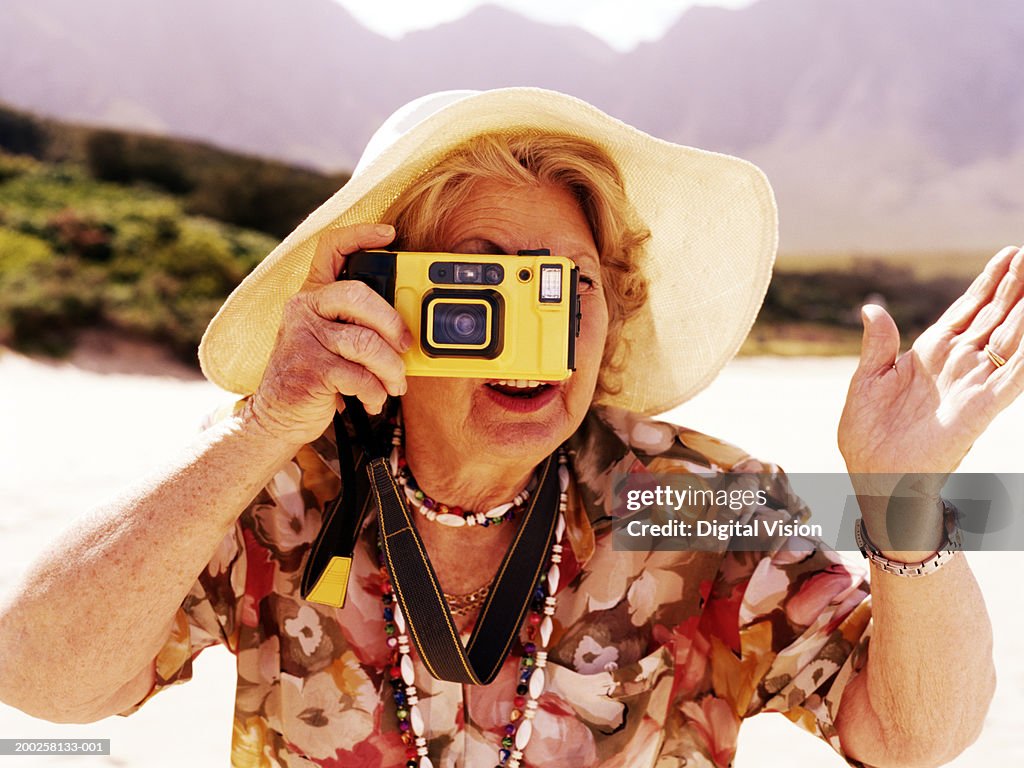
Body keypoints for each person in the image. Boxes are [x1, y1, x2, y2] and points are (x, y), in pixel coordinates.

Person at [0, 88, 1010, 767]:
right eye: (482, 280)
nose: (540, 334)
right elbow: (38, 677)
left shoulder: (699, 505)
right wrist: (264, 424)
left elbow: (909, 736)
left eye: (568, 287)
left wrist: (906, 499)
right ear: (384, 295)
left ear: (613, 309)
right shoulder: (279, 489)